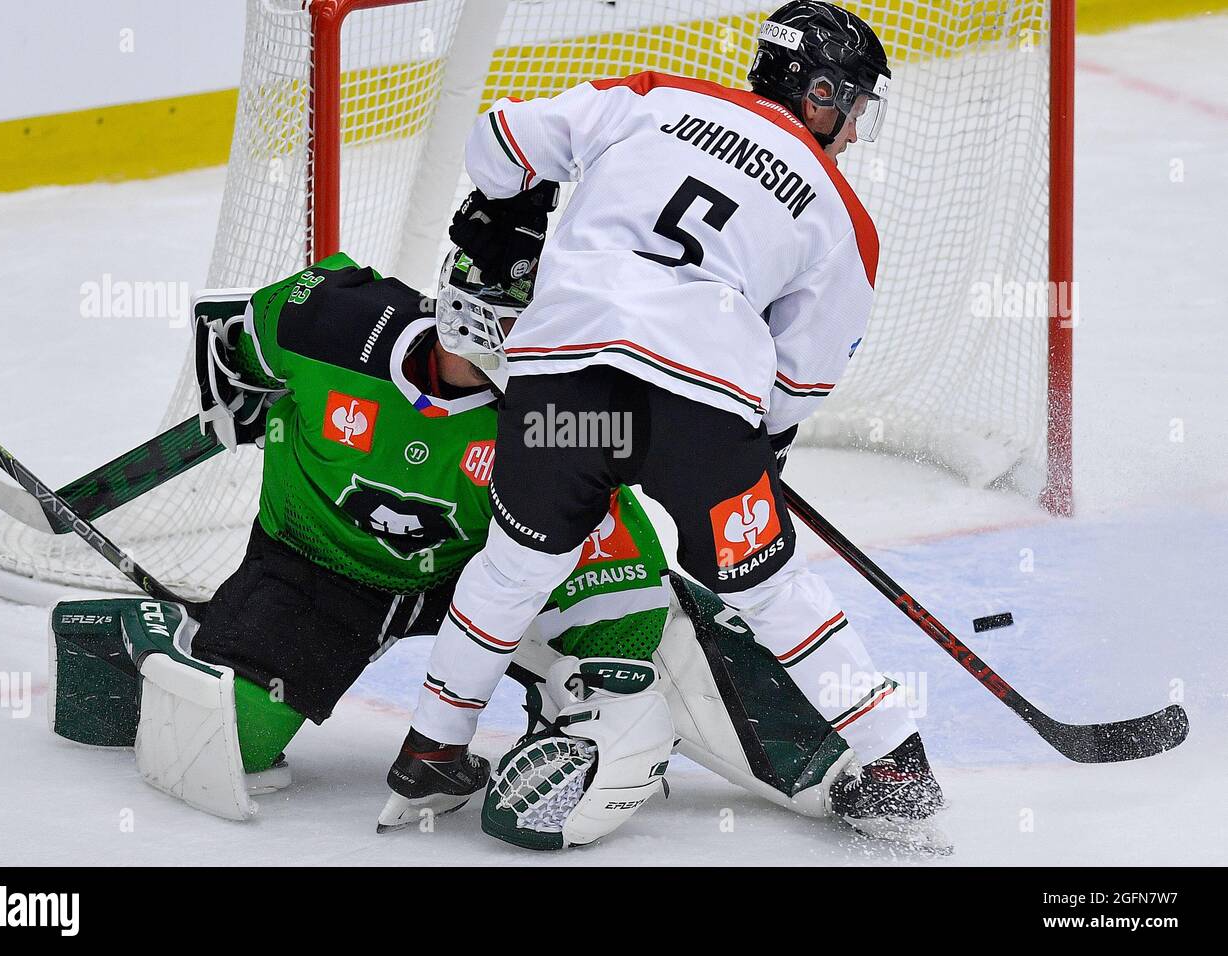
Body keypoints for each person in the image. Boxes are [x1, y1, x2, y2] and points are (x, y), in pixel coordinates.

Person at [42, 248, 873, 845]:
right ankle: (165, 636)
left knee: (642, 639)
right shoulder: (325, 317)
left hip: (491, 572)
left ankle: (804, 735)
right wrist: (243, 397)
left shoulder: (555, 414)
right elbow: (233, 339)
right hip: (317, 567)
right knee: (220, 746)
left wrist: (707, 445)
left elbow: (627, 499)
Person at [385, 1, 944, 846]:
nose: (856, 132)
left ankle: (432, 749)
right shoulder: (841, 216)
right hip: (698, 411)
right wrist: (754, 449)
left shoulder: (652, 96)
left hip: (566, 394)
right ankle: (894, 760)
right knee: (767, 587)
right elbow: (799, 381)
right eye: (855, 105)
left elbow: (497, 142)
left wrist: (511, 212)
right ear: (818, 89)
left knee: (514, 569)